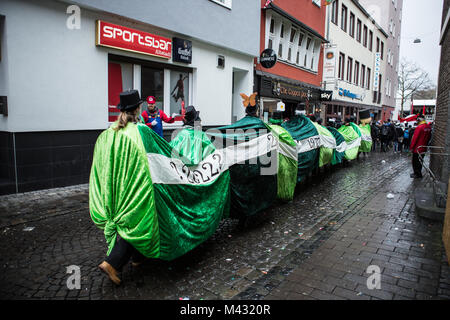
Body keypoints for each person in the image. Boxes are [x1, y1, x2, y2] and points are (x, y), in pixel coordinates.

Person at [98, 90, 147, 285]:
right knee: (139, 223)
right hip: (134, 187)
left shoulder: (110, 131)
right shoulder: (138, 131)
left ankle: (137, 258)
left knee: (129, 222)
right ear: (137, 108)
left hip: (114, 188)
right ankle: (112, 263)